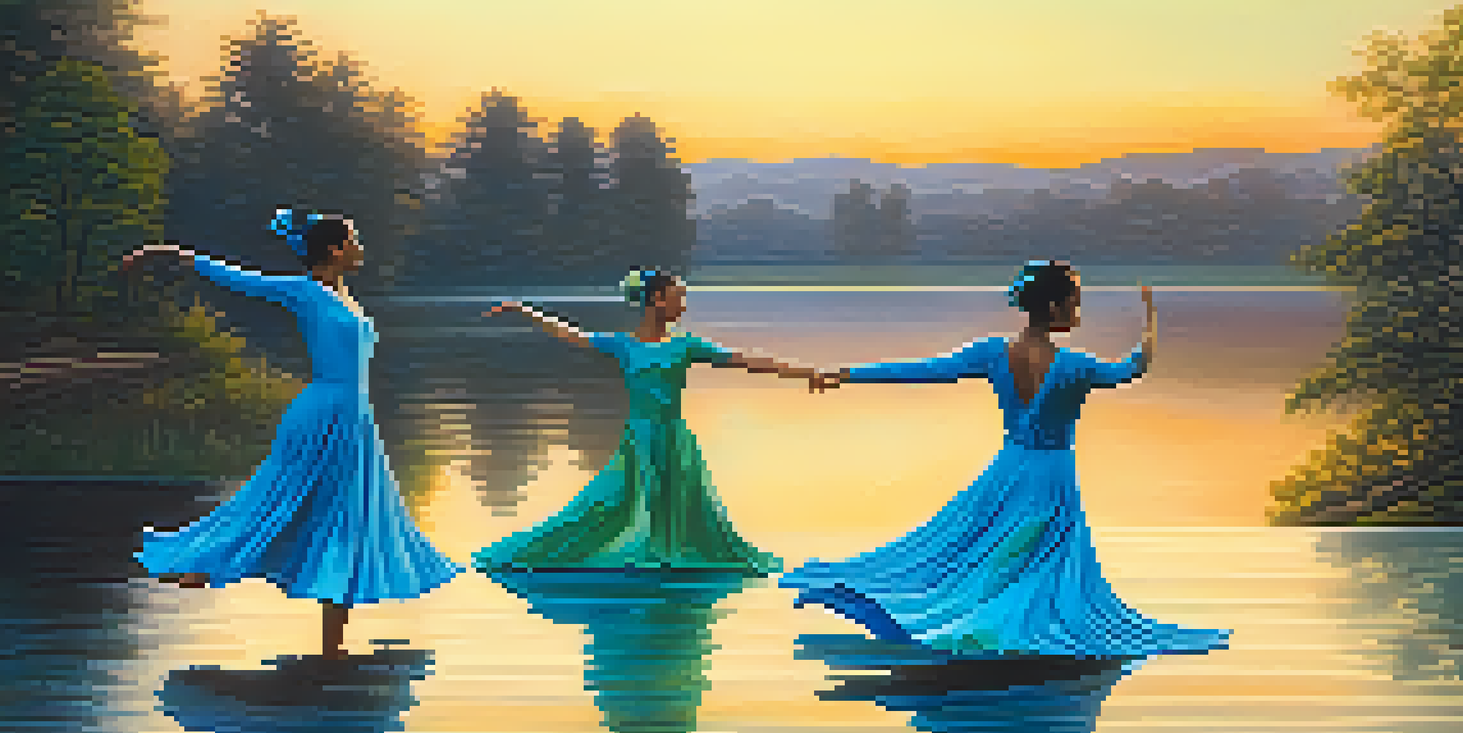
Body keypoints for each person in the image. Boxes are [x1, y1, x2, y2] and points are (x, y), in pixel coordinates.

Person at [785, 260, 1232, 658]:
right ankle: (998, 628)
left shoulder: (991, 354)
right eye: (1074, 304)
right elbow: (1131, 369)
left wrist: (846, 374)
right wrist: (1151, 321)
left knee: (989, 548)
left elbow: (922, 370)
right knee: (1034, 557)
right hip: (1051, 474)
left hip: (1010, 470)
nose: (1077, 313)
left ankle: (982, 624)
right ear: (1054, 308)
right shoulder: (1076, 366)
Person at [121, 209, 463, 660]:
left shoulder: (344, 296)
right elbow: (239, 279)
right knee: (280, 501)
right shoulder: (305, 291)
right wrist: (168, 254)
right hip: (323, 414)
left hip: (354, 419)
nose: (360, 248)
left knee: (349, 519)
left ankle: (331, 648)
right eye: (353, 240)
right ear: (336, 249)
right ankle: (200, 565)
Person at [472, 269, 827, 578]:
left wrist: (806, 372)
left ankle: (668, 555)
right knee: (611, 503)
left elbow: (746, 361)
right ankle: (634, 554)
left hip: (674, 439)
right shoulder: (624, 345)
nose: (682, 306)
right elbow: (572, 335)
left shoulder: (686, 345)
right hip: (639, 439)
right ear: (655, 301)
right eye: (677, 298)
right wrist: (523, 310)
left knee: (677, 501)